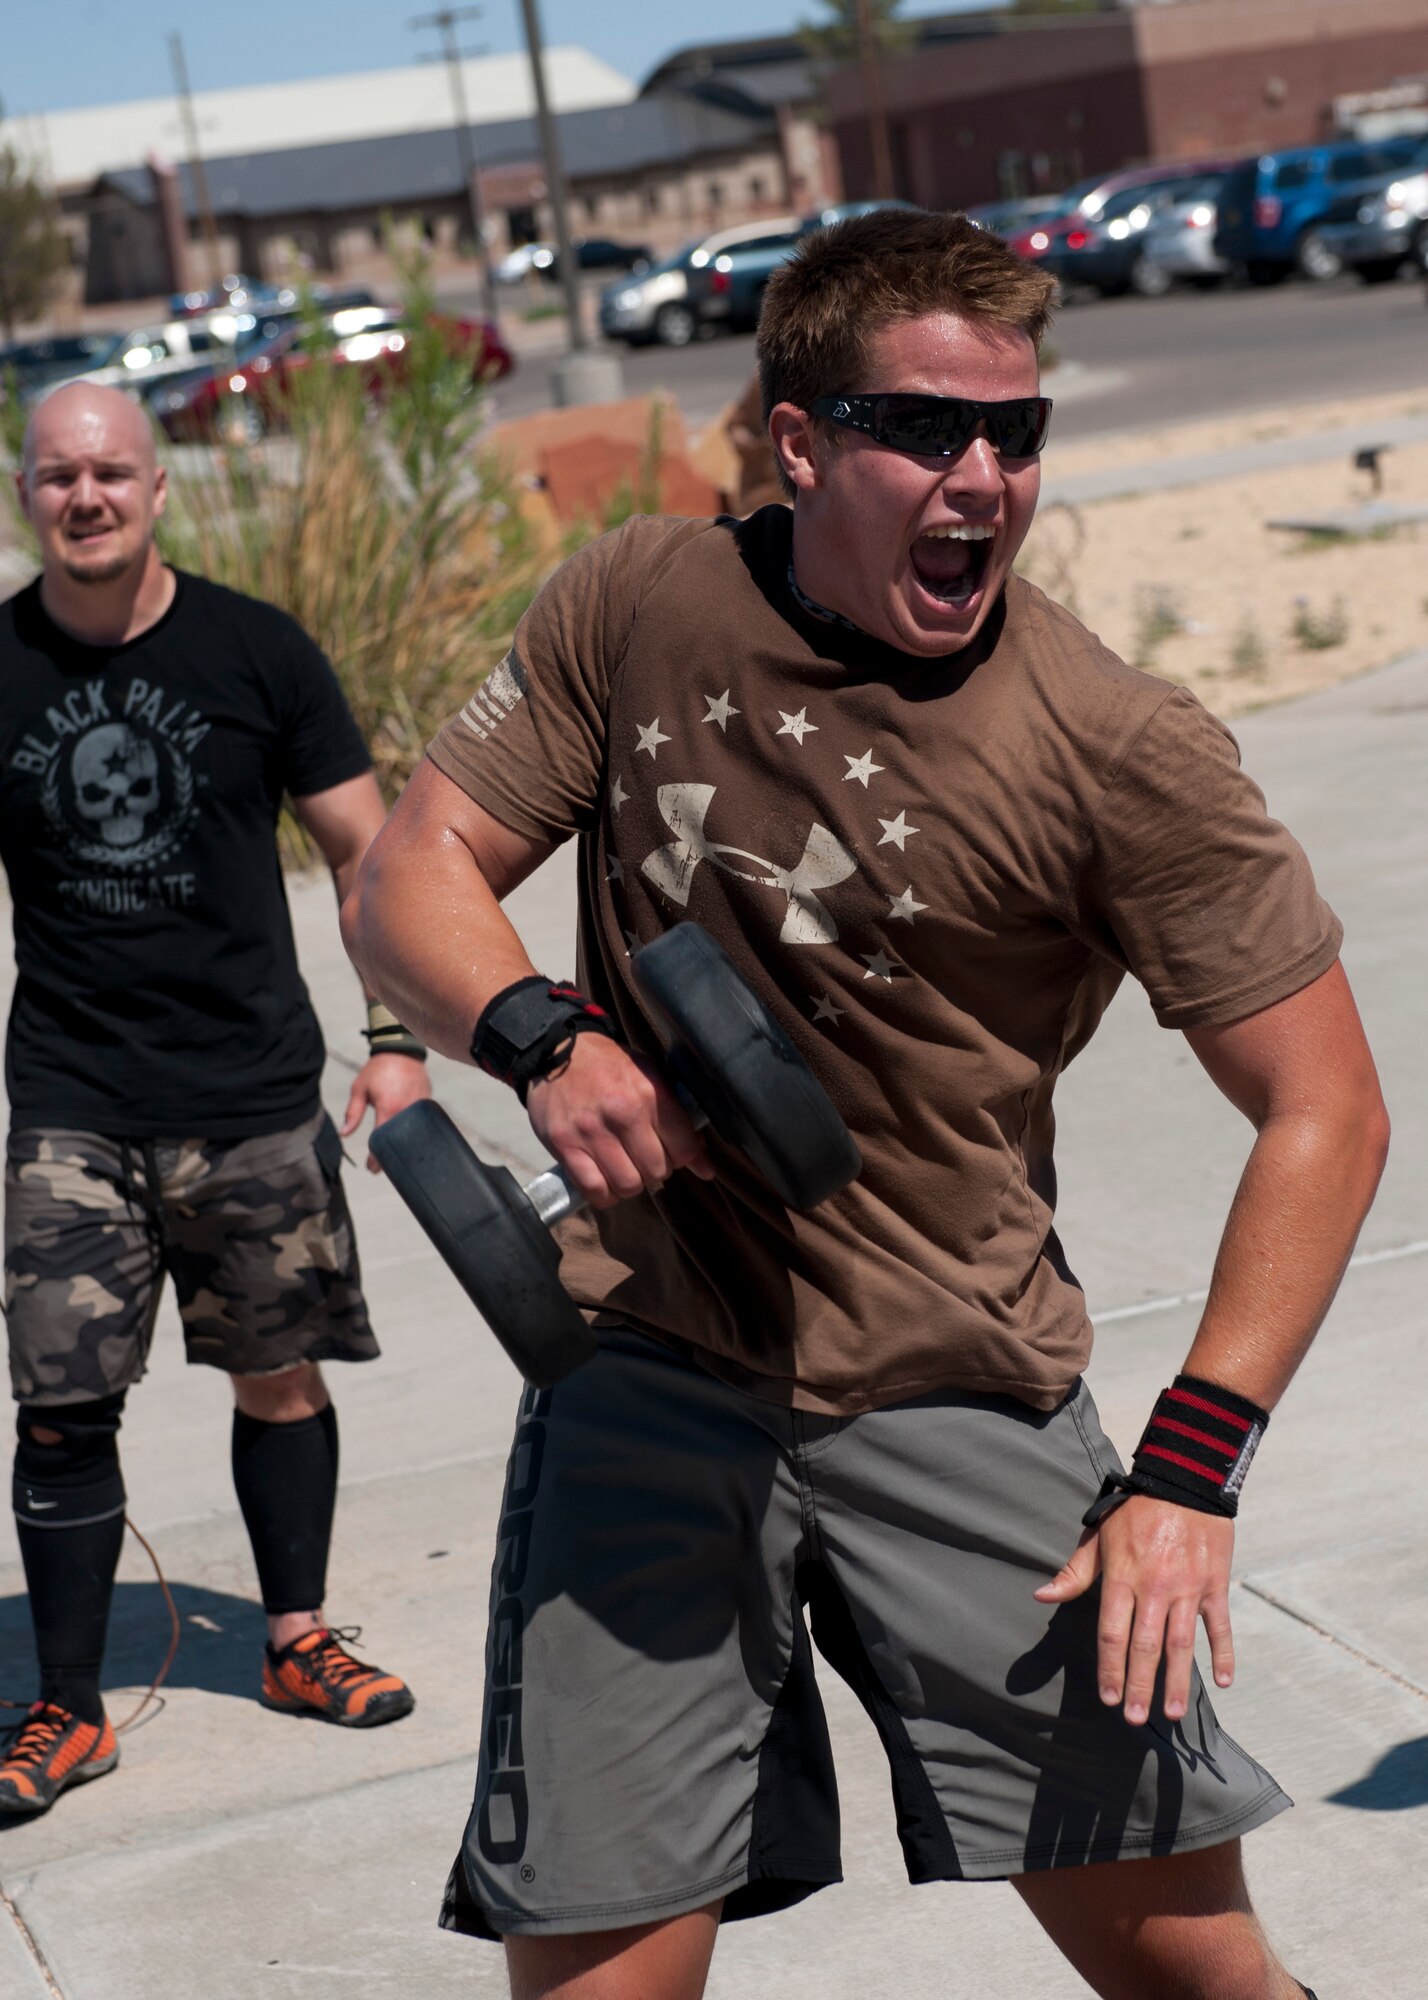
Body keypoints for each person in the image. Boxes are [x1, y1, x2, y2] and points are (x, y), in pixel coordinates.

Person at [342, 212, 1388, 1999]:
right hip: (649, 1374)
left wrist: (1193, 1472)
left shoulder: (1114, 744)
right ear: (800, 435)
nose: (983, 476)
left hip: (955, 1384)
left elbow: (1328, 1108)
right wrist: (533, 1028)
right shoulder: (638, 602)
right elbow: (412, 868)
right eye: (925, 429)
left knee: (1196, 1977)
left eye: (1017, 434)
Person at [0, 383, 427, 1820]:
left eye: (110, 472)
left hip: (248, 1091)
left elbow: (372, 857)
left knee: (279, 1372)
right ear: (27, 496)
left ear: (158, 486)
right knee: (61, 1408)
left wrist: (396, 1035)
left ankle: (296, 1639)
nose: (86, 497)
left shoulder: (258, 650)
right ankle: (65, 1708)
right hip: (71, 1098)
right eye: (58, 475)